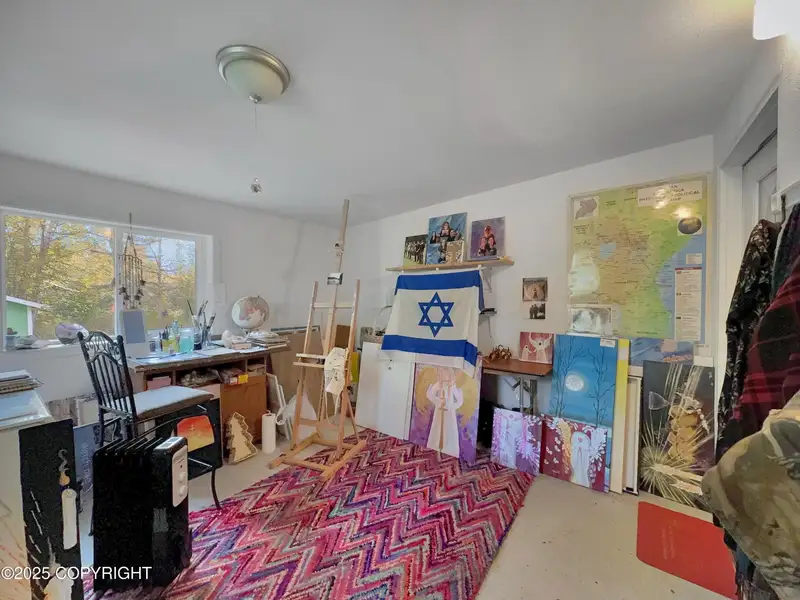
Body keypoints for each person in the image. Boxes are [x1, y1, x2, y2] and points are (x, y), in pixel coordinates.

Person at [426, 368, 463, 457]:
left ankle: (449, 450)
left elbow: (459, 401)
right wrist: (439, 401)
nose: (441, 374)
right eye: (441, 372)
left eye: (444, 372)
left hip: (449, 414)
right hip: (439, 412)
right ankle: (435, 447)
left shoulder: (452, 386)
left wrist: (450, 406)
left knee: (449, 430)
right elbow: (429, 394)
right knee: (437, 429)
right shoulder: (439, 384)